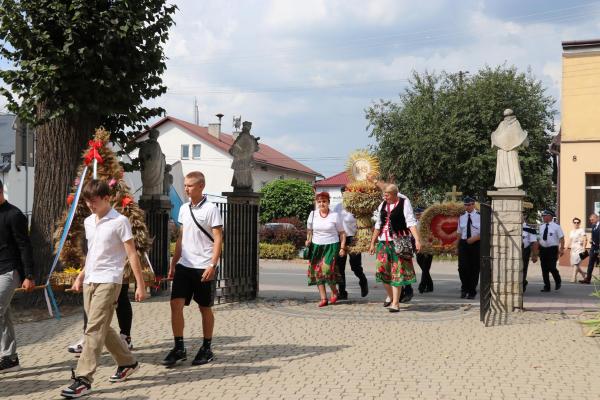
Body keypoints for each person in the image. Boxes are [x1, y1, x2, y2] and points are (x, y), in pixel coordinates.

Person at [60, 180, 146, 398]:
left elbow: (132, 253)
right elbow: (93, 252)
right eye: (87, 201)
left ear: (107, 198)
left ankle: (83, 379)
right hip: (90, 279)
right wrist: (81, 276)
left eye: (94, 201)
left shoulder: (120, 221)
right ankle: (128, 362)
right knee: (101, 327)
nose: (90, 205)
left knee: (93, 329)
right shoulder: (89, 221)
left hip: (110, 280)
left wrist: (140, 284)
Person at [163, 171, 223, 367]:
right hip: (184, 265)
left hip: (203, 266)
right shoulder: (183, 208)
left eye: (189, 185)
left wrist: (212, 264)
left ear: (201, 186)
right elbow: (182, 237)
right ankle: (179, 347)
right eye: (185, 185)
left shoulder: (211, 209)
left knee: (204, 308)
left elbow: (218, 239)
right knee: (175, 304)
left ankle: (206, 347)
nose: (186, 189)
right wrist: (174, 262)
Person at [0, 178, 35, 373]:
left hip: (10, 270)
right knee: (3, 314)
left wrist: (29, 275)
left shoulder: (14, 215)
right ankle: (10, 359)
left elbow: (25, 246)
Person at [369, 184, 421, 313]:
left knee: (397, 273)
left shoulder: (404, 203)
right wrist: (372, 243)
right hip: (383, 243)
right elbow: (378, 225)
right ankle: (392, 296)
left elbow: (410, 223)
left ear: (394, 194)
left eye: (387, 195)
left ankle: (395, 303)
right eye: (384, 194)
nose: (384, 197)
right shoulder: (382, 205)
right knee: (382, 271)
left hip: (398, 243)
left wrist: (417, 240)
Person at [305, 192, 346, 307]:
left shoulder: (335, 215)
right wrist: (308, 240)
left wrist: (342, 247)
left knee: (326, 269)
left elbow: (342, 233)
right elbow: (309, 231)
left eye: (324, 201)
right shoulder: (313, 214)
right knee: (317, 271)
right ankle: (323, 298)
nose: (321, 204)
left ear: (328, 202)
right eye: (319, 202)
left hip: (331, 246)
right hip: (316, 246)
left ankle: (334, 291)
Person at [334, 186, 368, 299]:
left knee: (355, 266)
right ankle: (342, 292)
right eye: (343, 193)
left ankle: (363, 280)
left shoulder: (356, 208)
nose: (345, 195)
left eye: (347, 193)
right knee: (340, 267)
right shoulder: (337, 207)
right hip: (340, 239)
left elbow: (363, 224)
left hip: (354, 238)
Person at [456, 197, 481, 299]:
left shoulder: (480, 216)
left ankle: (472, 291)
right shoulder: (462, 216)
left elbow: (486, 232)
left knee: (474, 268)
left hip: (476, 244)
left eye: (469, 204)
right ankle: (464, 288)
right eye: (466, 205)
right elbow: (459, 232)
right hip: (463, 243)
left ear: (474, 204)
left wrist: (475, 238)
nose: (467, 206)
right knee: (462, 268)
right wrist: (456, 247)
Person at [537, 210, 564, 292]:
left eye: (544, 216)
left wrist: (561, 249)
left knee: (552, 267)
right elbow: (539, 238)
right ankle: (547, 286)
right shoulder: (541, 227)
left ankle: (558, 280)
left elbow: (561, 238)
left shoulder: (556, 227)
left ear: (550, 216)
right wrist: (537, 250)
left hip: (552, 249)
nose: (543, 217)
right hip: (543, 249)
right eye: (543, 216)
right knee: (544, 268)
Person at [414, 207, 434, 293]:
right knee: (422, 265)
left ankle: (422, 285)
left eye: (419, 214)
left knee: (425, 267)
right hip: (418, 247)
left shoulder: (428, 223)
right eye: (416, 214)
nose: (418, 216)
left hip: (428, 247)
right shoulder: (414, 223)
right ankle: (430, 285)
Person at [580, 213, 599, 284]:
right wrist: (591, 239)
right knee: (590, 263)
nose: (591, 221)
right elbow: (593, 235)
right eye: (590, 220)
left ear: (597, 218)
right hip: (593, 247)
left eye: (592, 220)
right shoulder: (593, 226)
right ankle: (588, 279)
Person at [522, 214, 539, 292]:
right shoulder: (511, 227)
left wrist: (534, 255)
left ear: (524, 217)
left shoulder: (530, 229)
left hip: (524, 251)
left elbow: (534, 242)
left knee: (523, 268)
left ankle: (522, 283)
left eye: (521, 215)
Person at [567, 217, 587, 283]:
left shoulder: (581, 230)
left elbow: (585, 239)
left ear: (579, 223)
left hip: (579, 249)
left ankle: (573, 278)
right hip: (573, 249)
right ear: (573, 223)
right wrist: (566, 248)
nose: (576, 223)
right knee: (573, 264)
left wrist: (584, 249)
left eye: (577, 222)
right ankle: (583, 274)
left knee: (576, 263)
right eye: (575, 222)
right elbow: (570, 241)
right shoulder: (572, 231)